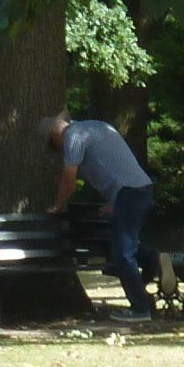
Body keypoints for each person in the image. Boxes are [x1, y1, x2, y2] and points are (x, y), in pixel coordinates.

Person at [42, 110, 155, 321]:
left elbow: (69, 179)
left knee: (122, 254)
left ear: (56, 135)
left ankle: (140, 309)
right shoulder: (97, 127)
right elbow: (116, 165)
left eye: (55, 145)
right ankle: (156, 263)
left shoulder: (74, 137)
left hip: (129, 193)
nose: (59, 151)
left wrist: (58, 206)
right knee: (125, 248)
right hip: (139, 189)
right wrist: (115, 202)